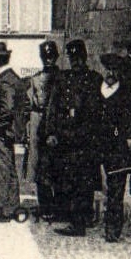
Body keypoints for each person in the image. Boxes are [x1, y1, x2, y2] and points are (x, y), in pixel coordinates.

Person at [42, 38, 102, 234]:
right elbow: (52, 108)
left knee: (85, 180)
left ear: (83, 57)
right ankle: (73, 217)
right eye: (72, 57)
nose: (74, 61)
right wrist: (51, 132)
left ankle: (81, 220)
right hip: (67, 137)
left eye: (77, 57)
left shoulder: (94, 79)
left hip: (86, 138)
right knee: (70, 178)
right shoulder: (62, 79)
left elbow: (99, 111)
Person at [97, 52, 131, 242]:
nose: (110, 73)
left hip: (118, 148)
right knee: (102, 186)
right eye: (108, 69)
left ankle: (112, 230)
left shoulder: (127, 94)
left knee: (116, 189)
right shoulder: (97, 91)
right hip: (98, 146)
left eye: (114, 70)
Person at [0, 40, 24, 221]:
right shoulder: (11, 77)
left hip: (1, 131)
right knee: (8, 167)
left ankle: (4, 209)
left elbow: (7, 110)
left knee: (1, 168)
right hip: (7, 130)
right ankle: (12, 205)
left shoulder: (5, 81)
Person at [26, 39, 61, 218]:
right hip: (38, 122)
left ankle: (58, 206)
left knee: (56, 164)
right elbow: (32, 102)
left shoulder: (62, 78)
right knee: (39, 163)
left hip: (56, 124)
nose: (48, 60)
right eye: (45, 57)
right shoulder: (35, 78)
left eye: (51, 56)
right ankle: (45, 204)